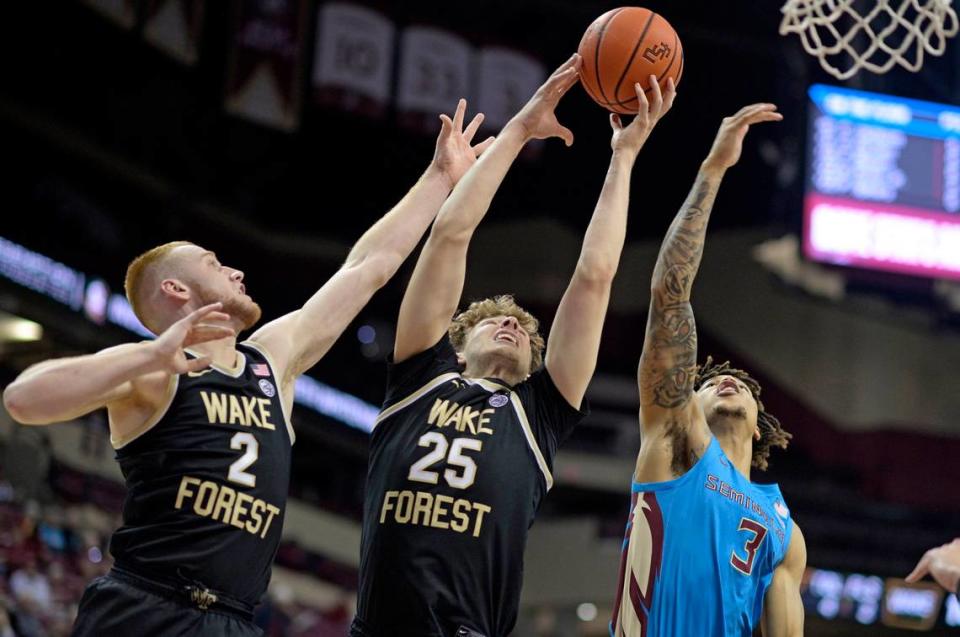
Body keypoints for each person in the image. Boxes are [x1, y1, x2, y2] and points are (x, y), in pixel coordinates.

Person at [1, 99, 494, 637]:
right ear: (176, 289)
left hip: (233, 621)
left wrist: (439, 178)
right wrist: (149, 353)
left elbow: (367, 268)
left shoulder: (272, 359)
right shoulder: (153, 373)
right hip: (144, 606)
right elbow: (24, 399)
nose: (235, 271)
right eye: (215, 264)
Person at [350, 56, 676, 637]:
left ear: (534, 364)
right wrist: (522, 126)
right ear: (456, 345)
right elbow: (451, 234)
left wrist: (623, 157)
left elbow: (595, 276)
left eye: (525, 330)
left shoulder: (541, 411)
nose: (514, 327)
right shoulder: (418, 375)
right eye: (494, 321)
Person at [610, 104, 806, 637]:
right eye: (706, 382)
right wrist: (712, 171)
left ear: (760, 419)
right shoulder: (677, 443)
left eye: (741, 385)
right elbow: (669, 296)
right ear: (684, 401)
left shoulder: (784, 528)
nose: (727, 381)